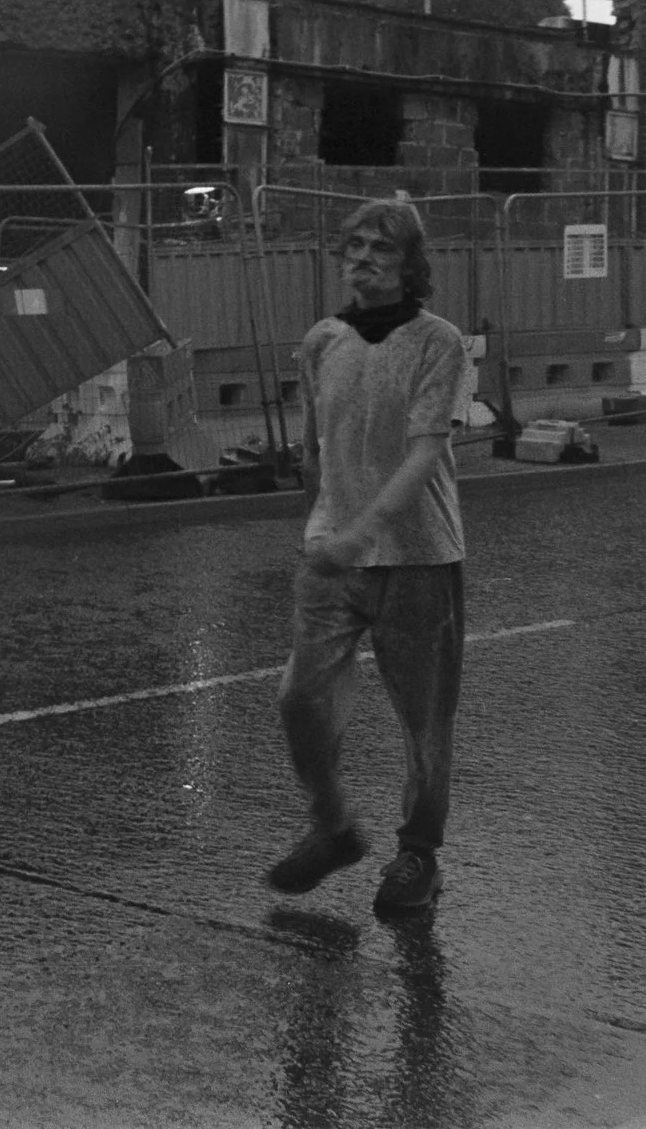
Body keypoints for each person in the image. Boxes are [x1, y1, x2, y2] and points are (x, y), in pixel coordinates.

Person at [264, 197, 475, 917]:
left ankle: (419, 855)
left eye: (381, 248)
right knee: (299, 696)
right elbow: (314, 450)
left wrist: (365, 531)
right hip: (331, 557)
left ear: (410, 264)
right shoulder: (321, 340)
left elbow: (425, 453)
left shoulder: (437, 342)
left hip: (417, 558)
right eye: (353, 245)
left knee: (422, 719)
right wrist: (322, 523)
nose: (362, 258)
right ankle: (332, 827)